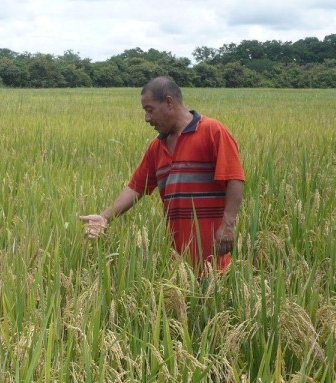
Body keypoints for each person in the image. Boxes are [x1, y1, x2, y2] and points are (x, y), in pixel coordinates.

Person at [79, 76, 245, 274]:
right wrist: (104, 217)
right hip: (178, 263)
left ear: (169, 102)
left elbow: (235, 178)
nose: (147, 119)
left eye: (150, 110)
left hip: (213, 260)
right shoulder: (157, 147)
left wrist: (228, 226)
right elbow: (136, 187)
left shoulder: (212, 131)